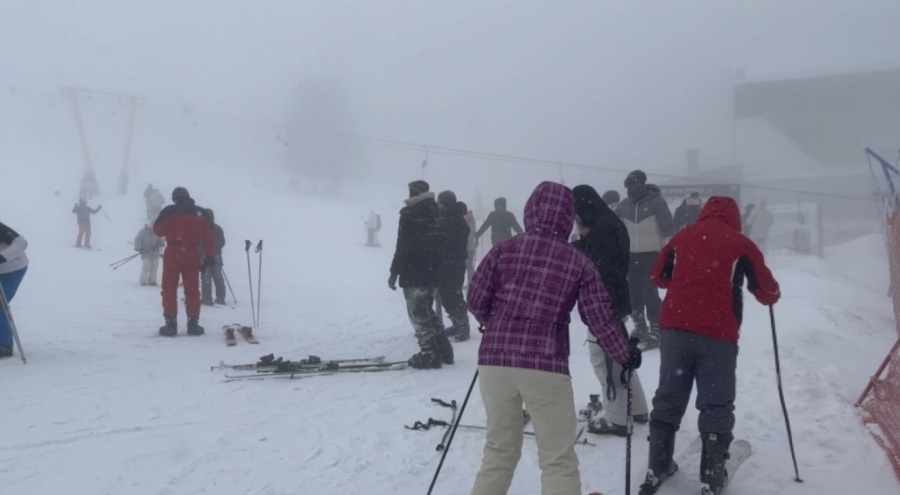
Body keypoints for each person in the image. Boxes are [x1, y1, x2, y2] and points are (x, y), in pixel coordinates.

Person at [467, 181, 642, 495]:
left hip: (495, 364)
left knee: (498, 453)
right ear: (567, 216)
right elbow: (599, 317)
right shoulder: (577, 261)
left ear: (531, 209)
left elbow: (476, 298)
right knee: (557, 460)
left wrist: (494, 324)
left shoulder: (504, 249)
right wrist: (624, 352)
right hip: (545, 365)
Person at [639, 196, 780, 495]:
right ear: (735, 217)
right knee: (716, 402)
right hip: (717, 334)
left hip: (675, 331)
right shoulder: (741, 243)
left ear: (704, 213)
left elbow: (657, 275)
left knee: (668, 396)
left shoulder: (682, 236)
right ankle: (711, 478)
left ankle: (658, 466)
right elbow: (767, 291)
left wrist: (687, 278)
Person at [571, 184, 650, 436]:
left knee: (605, 361)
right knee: (620, 355)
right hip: (615, 297)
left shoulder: (601, 229)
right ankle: (636, 408)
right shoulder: (609, 221)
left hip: (604, 302)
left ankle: (616, 419)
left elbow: (596, 265)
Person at [388, 180, 454, 369]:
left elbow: (402, 246)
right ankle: (444, 351)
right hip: (433, 273)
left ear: (413, 193)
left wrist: (394, 272)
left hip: (413, 272)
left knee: (418, 314)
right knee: (428, 310)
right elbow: (444, 245)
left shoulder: (409, 214)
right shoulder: (439, 214)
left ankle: (429, 355)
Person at [615, 170, 674, 350]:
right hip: (631, 255)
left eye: (634, 184)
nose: (631, 188)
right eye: (628, 185)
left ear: (642, 183)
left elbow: (668, 228)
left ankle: (656, 328)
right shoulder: (624, 205)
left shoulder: (656, 202)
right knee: (633, 292)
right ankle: (640, 327)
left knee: (649, 290)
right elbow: (617, 229)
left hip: (652, 253)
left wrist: (667, 252)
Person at [153, 187, 216, 336]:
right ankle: (193, 325)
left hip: (173, 252)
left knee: (169, 289)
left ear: (174, 198)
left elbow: (158, 230)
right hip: (192, 253)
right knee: (192, 290)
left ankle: (170, 325)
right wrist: (209, 256)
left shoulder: (168, 211)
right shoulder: (201, 213)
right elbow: (210, 236)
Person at [435, 191, 471, 342]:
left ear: (446, 203)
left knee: (454, 294)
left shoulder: (455, 220)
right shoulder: (447, 218)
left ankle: (463, 326)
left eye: (440, 203)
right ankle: (457, 323)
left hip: (454, 264)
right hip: (446, 263)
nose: (439, 205)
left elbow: (452, 241)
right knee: (445, 294)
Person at [0, 221, 28, 358]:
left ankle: (5, 346)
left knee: (0, 305)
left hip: (13, 268)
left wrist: (3, 256)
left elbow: (21, 242)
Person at [200, 209, 226, 305]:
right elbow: (223, 242)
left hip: (205, 255)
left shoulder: (202, 228)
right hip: (217, 255)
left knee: (206, 277)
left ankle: (207, 298)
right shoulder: (218, 228)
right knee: (217, 276)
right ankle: (220, 298)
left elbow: (199, 243)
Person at [463, 207, 477, 286]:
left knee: (468, 266)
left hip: (467, 248)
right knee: (469, 266)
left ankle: (470, 282)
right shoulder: (472, 225)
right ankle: (470, 282)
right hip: (469, 248)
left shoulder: (470, 225)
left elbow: (470, 237)